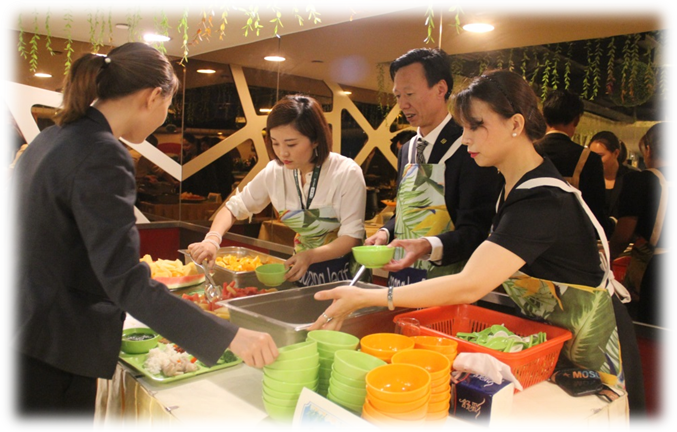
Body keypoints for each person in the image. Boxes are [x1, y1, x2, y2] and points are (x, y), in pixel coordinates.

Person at [310, 70, 648, 430]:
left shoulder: (541, 199)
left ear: (515, 124)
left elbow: (470, 284)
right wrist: (425, 246)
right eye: (464, 127)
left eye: (476, 125)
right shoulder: (514, 184)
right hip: (558, 343)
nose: (465, 137)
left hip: (598, 346)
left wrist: (367, 297)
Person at [2, 43, 278, 430]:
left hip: (21, 327)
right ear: (152, 97)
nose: (164, 120)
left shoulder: (50, 138)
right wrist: (228, 336)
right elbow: (124, 279)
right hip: (57, 345)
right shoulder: (103, 153)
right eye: (168, 107)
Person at [188, 95, 367, 286]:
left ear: (316, 139)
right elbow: (233, 208)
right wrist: (212, 240)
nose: (282, 152)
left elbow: (352, 237)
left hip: (344, 275)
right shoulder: (275, 171)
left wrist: (310, 256)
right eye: (275, 143)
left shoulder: (346, 172)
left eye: (291, 144)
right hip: (303, 271)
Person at [367, 48, 500, 286]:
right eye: (398, 96)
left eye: (410, 93)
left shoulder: (469, 146)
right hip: (401, 279)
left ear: (440, 89)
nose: (403, 104)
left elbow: (475, 230)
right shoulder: (407, 149)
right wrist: (385, 232)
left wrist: (428, 246)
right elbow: (406, 212)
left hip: (446, 283)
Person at [610, 122, 674, 328]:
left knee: (649, 330)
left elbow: (623, 235)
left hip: (654, 271)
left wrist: (607, 257)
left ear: (649, 149)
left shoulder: (641, 181)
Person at [536, 89, 612, 237]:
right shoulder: (589, 159)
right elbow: (596, 211)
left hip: (529, 241)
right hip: (572, 242)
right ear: (576, 120)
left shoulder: (527, 152)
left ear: (544, 117)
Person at [588, 131, 635, 227]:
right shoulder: (588, 176)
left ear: (616, 153)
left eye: (600, 156)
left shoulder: (631, 177)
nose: (595, 160)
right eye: (592, 156)